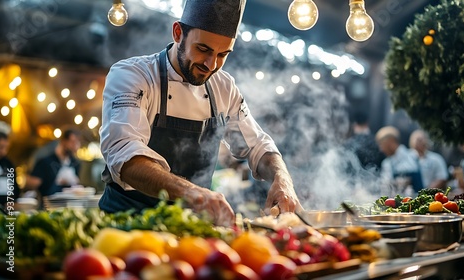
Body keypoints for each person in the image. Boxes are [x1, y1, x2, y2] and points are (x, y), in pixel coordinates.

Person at [98, 0, 302, 226]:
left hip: (193, 230)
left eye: (223, 54)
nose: (211, 64)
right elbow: (124, 153)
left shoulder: (223, 87)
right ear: (178, 33)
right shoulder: (133, 75)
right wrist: (192, 193)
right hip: (128, 226)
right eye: (203, 49)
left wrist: (282, 178)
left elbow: (258, 146)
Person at [25, 129, 81, 198]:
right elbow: (31, 184)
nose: (75, 146)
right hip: (48, 204)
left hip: (71, 203)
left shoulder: (75, 163)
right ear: (63, 141)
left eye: (77, 143)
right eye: (72, 142)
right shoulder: (46, 161)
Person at [376, 126, 424, 195]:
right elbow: (385, 187)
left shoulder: (413, 155)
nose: (381, 149)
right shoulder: (386, 163)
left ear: (390, 141)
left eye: (381, 144)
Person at [0, 131, 20, 208]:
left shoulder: (8, 164)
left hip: (7, 205)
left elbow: (14, 187)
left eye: (6, 148)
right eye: (1, 147)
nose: (4, 151)